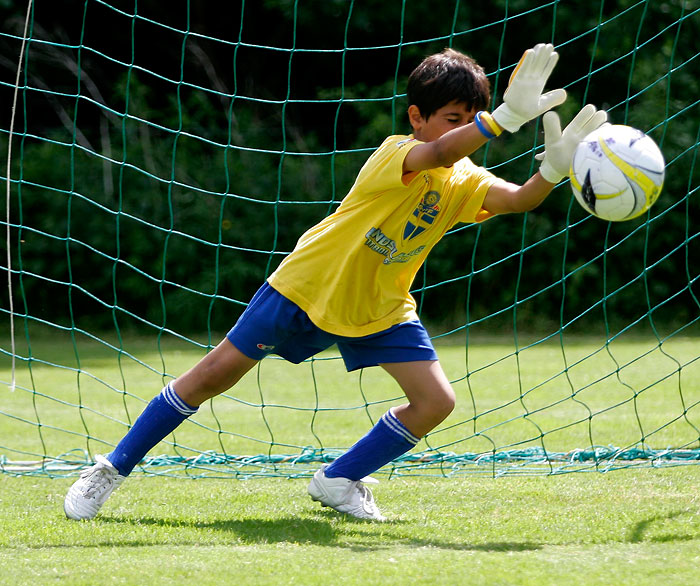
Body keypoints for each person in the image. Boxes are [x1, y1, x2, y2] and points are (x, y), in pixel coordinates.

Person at [64, 43, 607, 522]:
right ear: (417, 118)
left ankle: (338, 480)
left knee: (435, 402)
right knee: (212, 376)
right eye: (451, 117)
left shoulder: (464, 180)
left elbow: (517, 200)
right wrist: (505, 119)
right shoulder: (400, 152)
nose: (461, 126)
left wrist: (553, 172)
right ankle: (110, 470)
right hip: (310, 285)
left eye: (471, 116)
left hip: (380, 305)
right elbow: (440, 152)